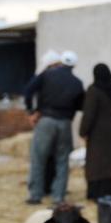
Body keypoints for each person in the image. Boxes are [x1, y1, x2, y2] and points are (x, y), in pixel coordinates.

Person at [23, 49, 85, 205]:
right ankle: (58, 197)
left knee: (38, 158)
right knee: (63, 160)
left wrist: (31, 111)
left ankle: (35, 195)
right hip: (65, 123)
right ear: (74, 65)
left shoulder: (47, 75)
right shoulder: (77, 83)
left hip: (46, 121)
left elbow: (28, 91)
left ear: (60, 62)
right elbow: (81, 105)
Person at [80, 62, 111, 200]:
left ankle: (98, 193)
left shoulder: (93, 91)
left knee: (97, 162)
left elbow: (88, 114)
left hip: (97, 132)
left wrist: (83, 131)